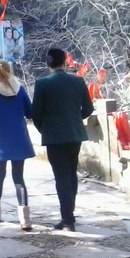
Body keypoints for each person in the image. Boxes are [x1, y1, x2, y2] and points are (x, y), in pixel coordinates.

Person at [32, 47, 94, 231]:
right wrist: (74, 119)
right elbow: (88, 109)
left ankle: (67, 219)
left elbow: (36, 114)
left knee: (61, 177)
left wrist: (45, 128)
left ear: (48, 64)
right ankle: (70, 214)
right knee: (71, 174)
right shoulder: (78, 81)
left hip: (54, 137)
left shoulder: (42, 83)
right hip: (74, 135)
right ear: (65, 62)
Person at [0, 60, 35, 230]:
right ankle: (25, 219)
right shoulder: (18, 89)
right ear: (10, 71)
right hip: (18, 136)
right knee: (19, 177)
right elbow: (30, 112)